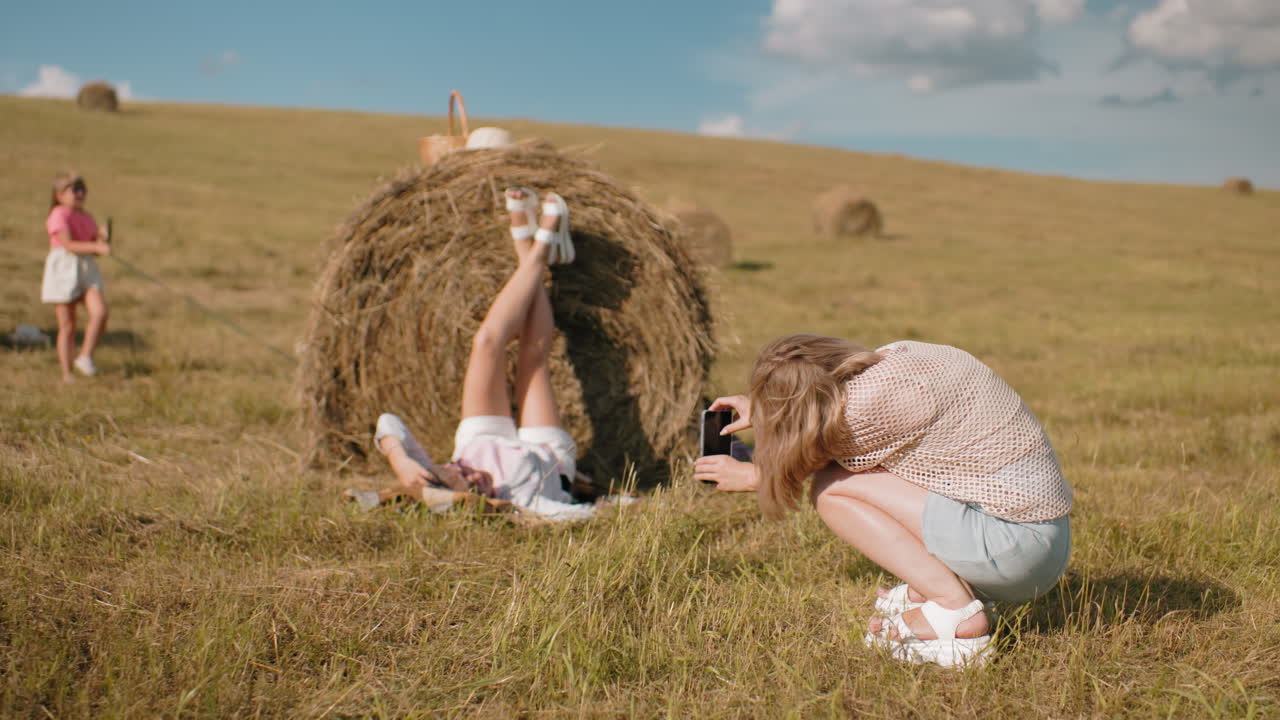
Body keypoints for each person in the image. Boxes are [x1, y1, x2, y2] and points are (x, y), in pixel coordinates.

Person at [694, 335, 1072, 667]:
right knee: (858, 477)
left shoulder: (864, 411)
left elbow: (808, 457)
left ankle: (954, 609)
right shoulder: (894, 362)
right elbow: (817, 420)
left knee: (832, 490)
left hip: (1017, 552)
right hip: (1036, 540)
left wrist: (756, 476)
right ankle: (936, 587)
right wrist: (770, 409)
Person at [345, 187, 600, 522]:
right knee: (533, 357)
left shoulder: (431, 474)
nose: (476, 476)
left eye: (460, 473)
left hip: (481, 440)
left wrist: (400, 460)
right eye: (476, 487)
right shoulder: (521, 497)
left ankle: (534, 248)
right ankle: (535, 244)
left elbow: (388, 423)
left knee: (486, 342)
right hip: (547, 452)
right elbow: (581, 516)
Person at [41, 171, 111, 382]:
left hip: (86, 269)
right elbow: (69, 245)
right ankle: (67, 373)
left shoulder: (87, 217)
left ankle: (85, 356)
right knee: (68, 325)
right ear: (59, 194)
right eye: (75, 189)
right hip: (64, 269)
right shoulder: (58, 215)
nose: (80, 193)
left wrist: (101, 239)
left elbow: (92, 248)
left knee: (100, 312)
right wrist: (95, 246)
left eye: (83, 189)